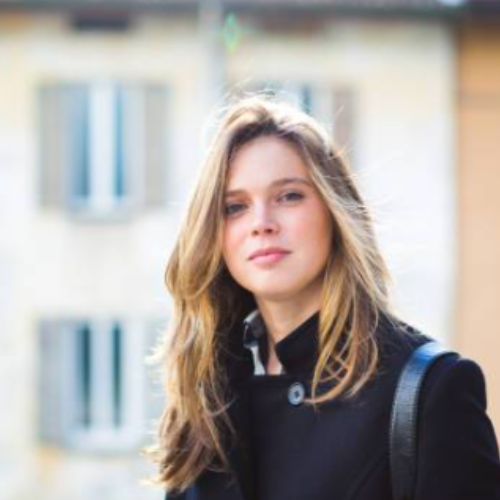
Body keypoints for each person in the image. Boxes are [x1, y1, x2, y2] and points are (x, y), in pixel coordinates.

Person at [149, 95, 500, 500]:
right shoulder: (205, 398)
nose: (261, 223)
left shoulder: (430, 390)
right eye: (235, 207)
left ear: (335, 212)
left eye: (289, 196)